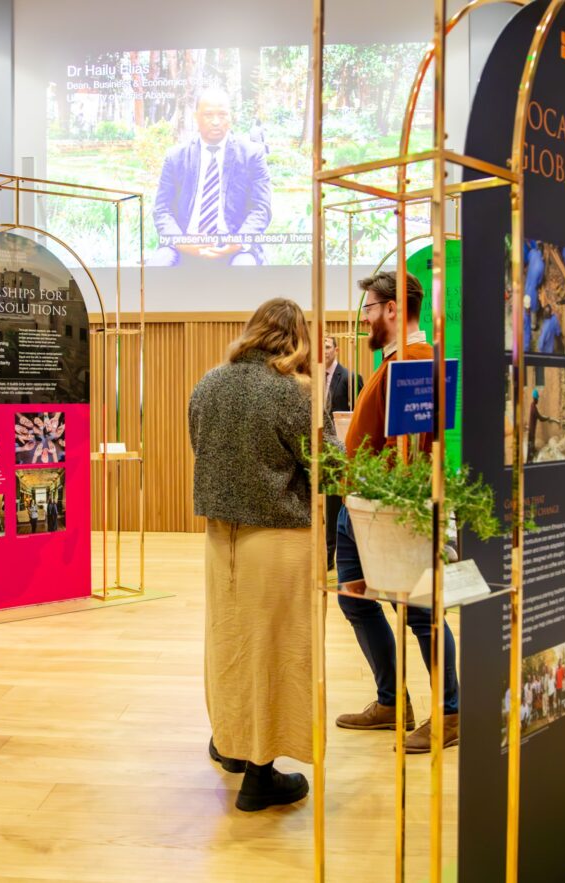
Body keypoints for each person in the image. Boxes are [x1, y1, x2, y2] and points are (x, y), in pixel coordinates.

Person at [189, 297, 333, 811]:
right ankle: (259, 773)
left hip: (218, 539)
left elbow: (199, 446)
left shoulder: (208, 383)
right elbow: (330, 469)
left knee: (228, 643)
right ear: (297, 340)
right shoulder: (294, 393)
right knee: (274, 650)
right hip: (277, 543)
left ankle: (231, 745)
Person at [334, 271, 460, 753]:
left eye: (368, 309)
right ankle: (391, 701)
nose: (364, 318)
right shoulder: (394, 364)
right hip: (361, 507)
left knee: (420, 611)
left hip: (385, 510)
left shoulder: (413, 362)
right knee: (354, 599)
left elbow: (408, 449)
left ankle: (450, 712)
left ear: (391, 309)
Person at [152, 86, 272, 267]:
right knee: (159, 264)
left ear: (230, 117)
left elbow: (261, 209)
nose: (216, 121)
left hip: (234, 248)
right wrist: (182, 242)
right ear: (196, 117)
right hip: (183, 244)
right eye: (208, 115)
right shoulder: (176, 157)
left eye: (222, 115)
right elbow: (162, 210)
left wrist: (236, 242)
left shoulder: (252, 155)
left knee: (245, 267)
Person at [323, 335, 363, 570]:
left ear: (336, 349)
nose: (323, 351)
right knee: (325, 505)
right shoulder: (309, 379)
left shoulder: (350, 378)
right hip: (319, 450)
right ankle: (326, 557)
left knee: (338, 502)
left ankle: (339, 556)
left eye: (327, 346)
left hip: (342, 450)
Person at [527, 388, 558, 462]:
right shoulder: (534, 408)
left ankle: (533, 451)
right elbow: (540, 418)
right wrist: (547, 418)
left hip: (532, 427)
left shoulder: (532, 405)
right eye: (537, 399)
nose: (538, 400)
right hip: (531, 428)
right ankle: (529, 459)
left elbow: (539, 416)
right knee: (531, 441)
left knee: (532, 440)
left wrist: (545, 417)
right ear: (535, 398)